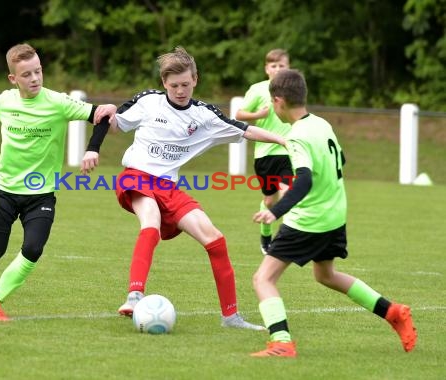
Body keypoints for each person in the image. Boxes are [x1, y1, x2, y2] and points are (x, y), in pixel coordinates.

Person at [0, 43, 116, 321]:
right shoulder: (5, 101)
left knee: (33, 249)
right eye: (27, 74)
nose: (35, 78)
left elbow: (102, 117)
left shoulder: (58, 102)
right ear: (13, 79)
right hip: (5, 191)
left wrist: (93, 148)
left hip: (41, 194)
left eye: (38, 71)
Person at [107, 46, 286, 330]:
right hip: (137, 176)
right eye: (174, 85)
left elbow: (244, 129)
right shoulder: (149, 102)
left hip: (169, 187)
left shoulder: (204, 115)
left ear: (195, 80)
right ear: (164, 84)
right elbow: (114, 122)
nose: (180, 91)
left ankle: (231, 317)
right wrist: (102, 118)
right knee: (150, 220)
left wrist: (283, 140)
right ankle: (134, 295)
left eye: (185, 85)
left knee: (216, 240)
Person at [250, 69, 417, 357]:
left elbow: (303, 179)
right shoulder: (321, 124)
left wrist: (275, 211)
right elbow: (342, 158)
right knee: (326, 275)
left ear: (278, 102)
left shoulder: (297, 136)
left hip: (309, 220)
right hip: (335, 215)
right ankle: (393, 312)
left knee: (263, 279)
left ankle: (281, 343)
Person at [235, 49, 292, 255]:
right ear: (267, 69)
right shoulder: (258, 90)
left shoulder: (292, 90)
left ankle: (286, 240)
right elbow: (239, 114)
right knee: (270, 200)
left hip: (289, 150)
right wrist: (258, 114)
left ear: (288, 68)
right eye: (274, 66)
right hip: (265, 155)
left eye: (282, 65)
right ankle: (265, 235)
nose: (277, 69)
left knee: (288, 193)